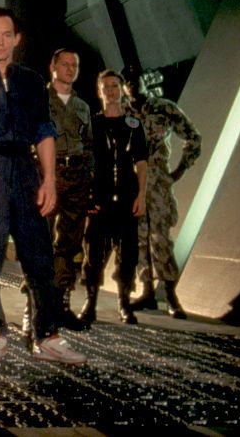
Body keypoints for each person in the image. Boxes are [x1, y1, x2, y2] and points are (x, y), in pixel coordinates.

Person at [0, 7, 86, 365]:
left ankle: (47, 336)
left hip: (26, 171)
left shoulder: (31, 80)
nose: (0, 42)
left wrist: (50, 181)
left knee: (40, 257)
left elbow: (44, 132)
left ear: (17, 39)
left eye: (6, 35)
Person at [123, 65, 201, 319]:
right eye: (128, 81)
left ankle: (170, 294)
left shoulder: (163, 108)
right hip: (132, 184)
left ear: (144, 81)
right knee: (139, 239)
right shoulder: (122, 112)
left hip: (157, 183)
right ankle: (146, 291)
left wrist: (180, 170)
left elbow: (193, 137)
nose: (132, 84)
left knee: (161, 238)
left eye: (136, 79)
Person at [79, 70, 147, 325]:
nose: (110, 90)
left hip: (127, 199)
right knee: (93, 254)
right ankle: (90, 303)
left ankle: (124, 304)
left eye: (114, 86)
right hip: (100, 200)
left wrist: (142, 195)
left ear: (121, 90)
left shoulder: (133, 125)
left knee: (128, 255)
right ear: (99, 92)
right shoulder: (91, 125)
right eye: (105, 86)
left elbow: (142, 163)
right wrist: (87, 197)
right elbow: (84, 163)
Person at [43, 48, 94, 331]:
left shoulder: (82, 106)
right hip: (47, 175)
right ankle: (36, 304)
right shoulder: (38, 99)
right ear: (53, 67)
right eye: (65, 64)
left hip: (76, 177)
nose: (70, 69)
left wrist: (90, 181)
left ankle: (62, 302)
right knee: (40, 238)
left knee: (70, 242)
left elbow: (89, 146)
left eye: (74, 65)